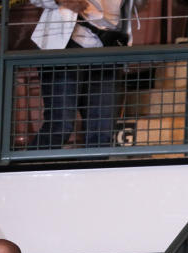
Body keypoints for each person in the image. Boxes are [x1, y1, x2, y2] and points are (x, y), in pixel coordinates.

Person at [28, 0, 133, 149]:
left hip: (109, 47)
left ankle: (95, 172)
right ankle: (25, 170)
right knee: (60, 127)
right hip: (65, 44)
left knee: (102, 132)